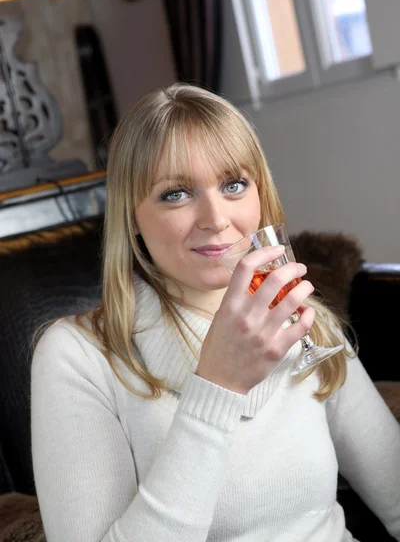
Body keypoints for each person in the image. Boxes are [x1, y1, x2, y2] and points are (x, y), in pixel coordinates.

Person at [31, 83, 400, 542]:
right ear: (131, 217)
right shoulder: (78, 357)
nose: (216, 218)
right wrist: (218, 388)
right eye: (176, 194)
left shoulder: (305, 319)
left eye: (233, 185)